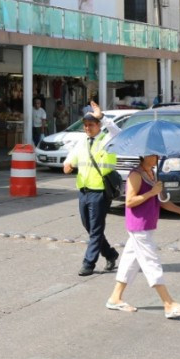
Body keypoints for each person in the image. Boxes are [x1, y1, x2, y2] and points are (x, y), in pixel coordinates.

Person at [105, 153, 180, 319]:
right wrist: (151, 192)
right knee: (151, 262)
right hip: (139, 226)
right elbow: (130, 201)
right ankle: (168, 303)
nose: (156, 157)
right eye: (152, 154)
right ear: (143, 156)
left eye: (156, 154)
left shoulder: (152, 174)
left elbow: (160, 201)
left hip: (147, 225)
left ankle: (115, 298)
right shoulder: (135, 174)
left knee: (129, 262)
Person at [63, 101, 121, 276]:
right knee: (89, 227)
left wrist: (102, 116)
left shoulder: (107, 140)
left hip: (100, 192)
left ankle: (89, 263)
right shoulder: (81, 143)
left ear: (98, 126)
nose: (87, 128)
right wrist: (67, 165)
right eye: (85, 125)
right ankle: (110, 254)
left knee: (96, 230)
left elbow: (118, 131)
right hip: (84, 191)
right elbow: (70, 159)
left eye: (91, 125)